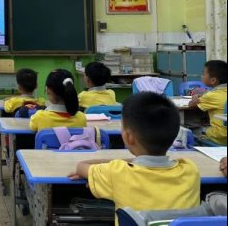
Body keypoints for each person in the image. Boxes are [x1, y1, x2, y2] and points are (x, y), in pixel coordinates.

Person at [68, 92, 200, 221]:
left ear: (128, 137)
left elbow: (81, 167)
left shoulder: (117, 171)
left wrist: (124, 163)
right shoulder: (190, 169)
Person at [189, 60, 227, 145]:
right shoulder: (216, 93)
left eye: (203, 74)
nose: (201, 76)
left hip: (218, 137)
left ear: (213, 80)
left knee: (190, 130)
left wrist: (193, 100)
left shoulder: (211, 95)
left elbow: (191, 105)